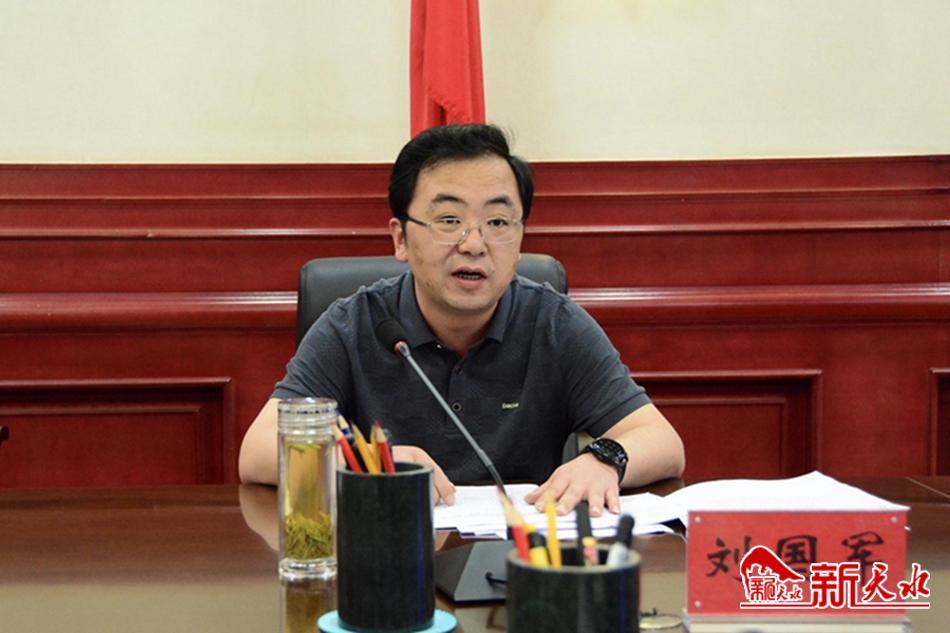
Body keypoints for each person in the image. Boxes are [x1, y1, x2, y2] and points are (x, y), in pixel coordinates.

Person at [239, 124, 684, 516]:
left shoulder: (554, 324)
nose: (474, 244)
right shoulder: (353, 324)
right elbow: (258, 452)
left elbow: (661, 441)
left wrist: (604, 458)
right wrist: (371, 462)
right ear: (401, 238)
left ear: (520, 239)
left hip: (518, 562)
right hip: (388, 558)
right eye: (449, 220)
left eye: (498, 222)